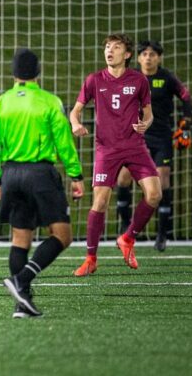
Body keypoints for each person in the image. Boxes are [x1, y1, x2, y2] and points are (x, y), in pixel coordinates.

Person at [0, 48, 84, 318]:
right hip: (40, 173)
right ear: (38, 73)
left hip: (11, 174)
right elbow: (64, 143)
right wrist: (76, 175)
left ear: (14, 73)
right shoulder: (49, 101)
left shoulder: (1, 103)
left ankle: (22, 305)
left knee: (20, 238)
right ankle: (22, 281)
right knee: (63, 235)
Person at [70, 34, 162, 277]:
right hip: (106, 149)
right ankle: (91, 258)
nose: (110, 51)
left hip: (134, 146)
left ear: (127, 54)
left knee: (154, 194)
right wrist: (75, 125)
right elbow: (75, 112)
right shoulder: (94, 80)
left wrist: (147, 123)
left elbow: (149, 114)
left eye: (116, 47)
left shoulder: (139, 80)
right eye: (107, 47)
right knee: (99, 202)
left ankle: (128, 239)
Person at [115, 40, 192, 251]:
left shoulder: (166, 78)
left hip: (160, 138)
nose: (148, 57)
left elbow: (185, 97)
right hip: (133, 137)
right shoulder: (128, 78)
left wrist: (185, 123)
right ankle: (124, 226)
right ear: (138, 58)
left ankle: (162, 234)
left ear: (159, 57)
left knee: (162, 181)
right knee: (123, 178)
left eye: (153, 54)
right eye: (145, 54)